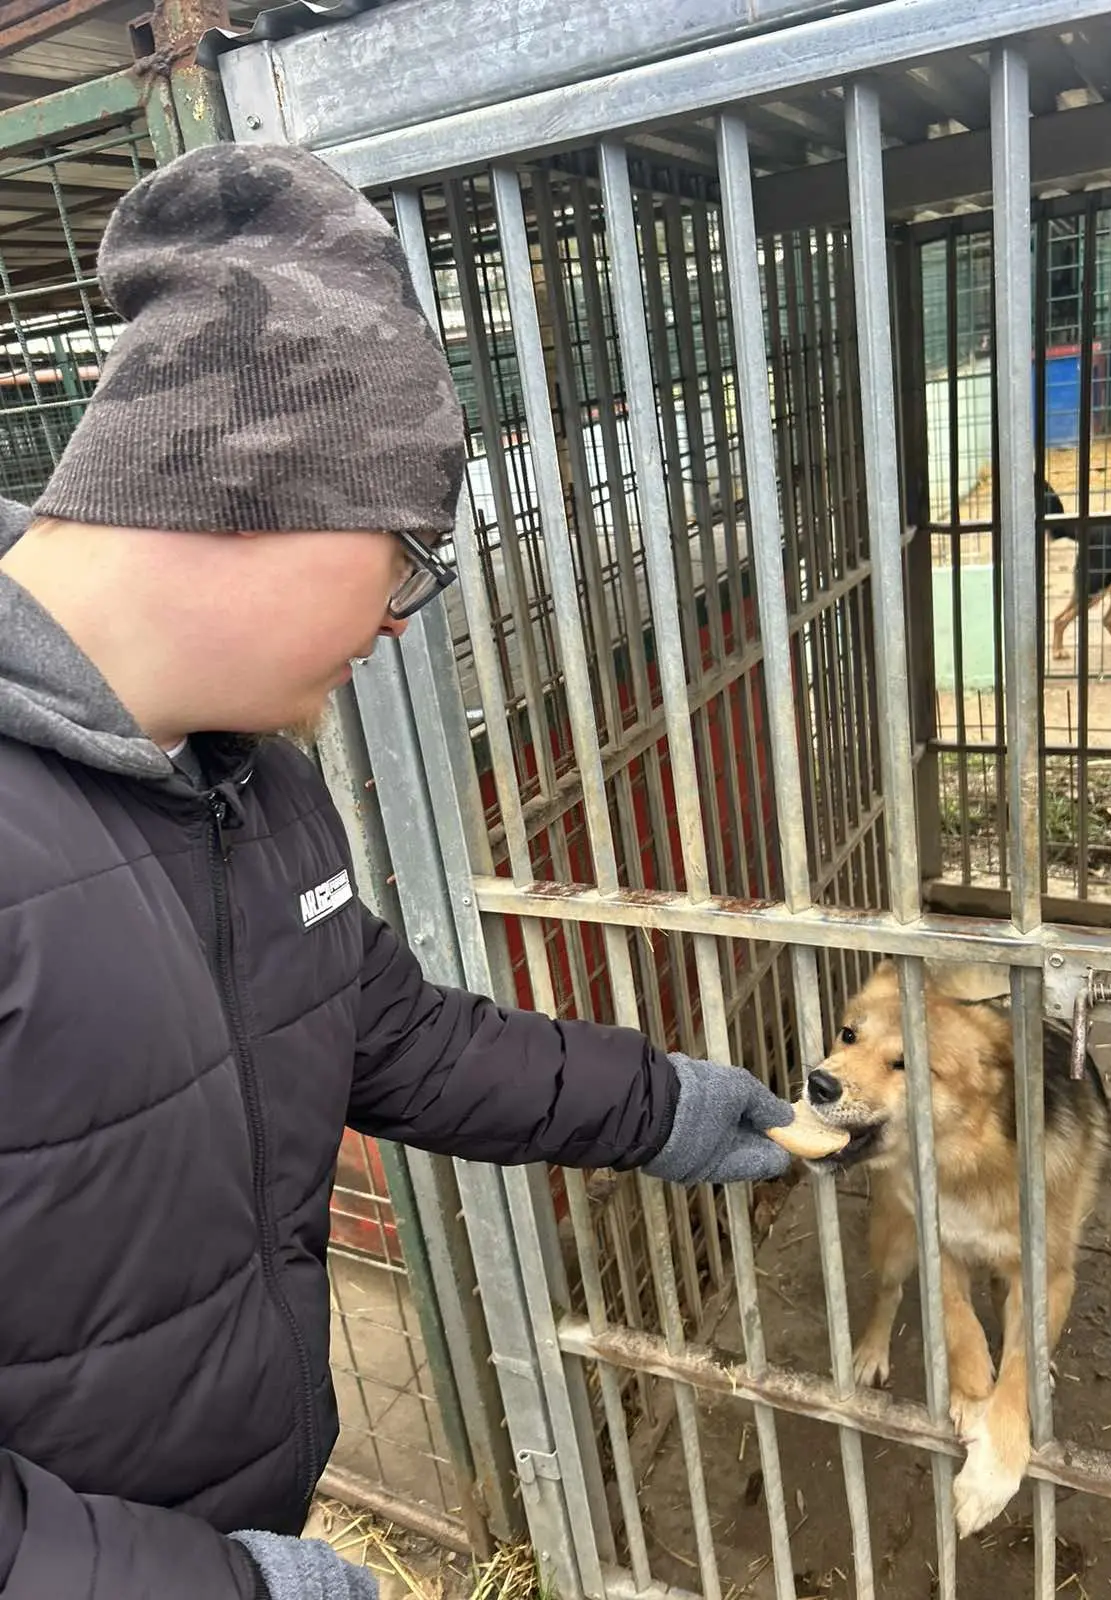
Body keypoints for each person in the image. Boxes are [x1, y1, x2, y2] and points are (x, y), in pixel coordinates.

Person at [0, 142, 798, 1599]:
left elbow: (382, 1032)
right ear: (259, 489)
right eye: (410, 550)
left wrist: (657, 1107)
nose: (403, 617)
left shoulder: (248, 780)